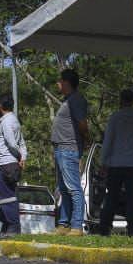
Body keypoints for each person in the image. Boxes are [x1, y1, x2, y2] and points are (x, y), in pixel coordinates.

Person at [96, 88, 133, 236]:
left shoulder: (115, 117)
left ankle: (105, 227)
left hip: (116, 164)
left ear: (121, 100)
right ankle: (132, 228)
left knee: (112, 196)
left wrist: (103, 162)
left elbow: (108, 141)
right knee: (132, 198)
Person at [49, 68, 90, 234]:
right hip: (60, 149)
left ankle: (76, 225)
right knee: (63, 189)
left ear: (66, 83)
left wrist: (87, 139)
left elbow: (82, 123)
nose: (57, 83)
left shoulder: (76, 100)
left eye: (60, 81)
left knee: (73, 188)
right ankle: (64, 224)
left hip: (69, 149)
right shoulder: (68, 100)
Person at [0, 93, 27, 237]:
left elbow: (12, 143)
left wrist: (19, 156)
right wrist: (23, 157)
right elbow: (22, 143)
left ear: (0, 106)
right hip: (11, 164)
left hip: (6, 163)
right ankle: (6, 227)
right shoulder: (15, 121)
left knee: (6, 195)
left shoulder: (6, 122)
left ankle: (13, 227)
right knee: (7, 195)